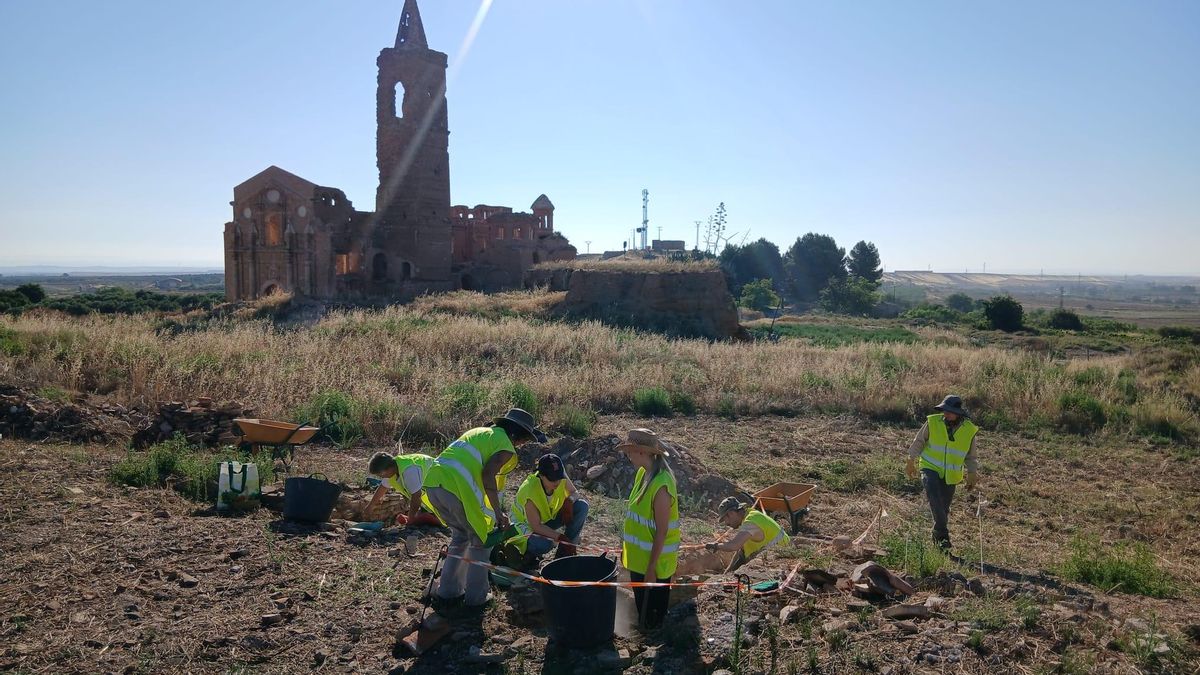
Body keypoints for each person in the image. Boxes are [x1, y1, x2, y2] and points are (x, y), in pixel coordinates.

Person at [422, 408, 546, 608]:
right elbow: (488, 476)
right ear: (518, 435)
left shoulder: (480, 433)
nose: (521, 445)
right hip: (456, 488)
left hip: (433, 484)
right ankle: (477, 599)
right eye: (523, 440)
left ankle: (448, 592)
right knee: (481, 542)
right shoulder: (504, 444)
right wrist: (498, 513)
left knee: (460, 538)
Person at [618, 428, 680, 630]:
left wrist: (651, 568)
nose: (628, 455)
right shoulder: (642, 475)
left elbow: (661, 531)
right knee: (642, 611)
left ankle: (654, 640)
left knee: (654, 617)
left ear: (642, 452)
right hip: (639, 560)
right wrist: (625, 548)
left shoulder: (661, 485)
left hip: (655, 564)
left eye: (630, 450)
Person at [905, 395, 979, 552]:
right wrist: (910, 459)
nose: (946, 413)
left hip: (951, 474)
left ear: (958, 413)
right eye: (944, 410)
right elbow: (919, 441)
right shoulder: (933, 422)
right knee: (934, 499)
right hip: (929, 467)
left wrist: (972, 472)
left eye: (950, 411)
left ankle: (937, 538)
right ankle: (944, 537)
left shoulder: (969, 430)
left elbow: (971, 455)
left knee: (943, 509)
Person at [502, 454, 589, 568]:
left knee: (581, 506)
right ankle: (526, 556)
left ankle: (565, 553)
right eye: (552, 479)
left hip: (547, 520)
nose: (557, 482)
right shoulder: (530, 490)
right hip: (526, 528)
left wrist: (569, 501)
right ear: (542, 475)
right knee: (545, 544)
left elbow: (574, 492)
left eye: (559, 477)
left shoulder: (560, 475)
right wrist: (560, 537)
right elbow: (536, 526)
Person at [704, 497, 790, 572]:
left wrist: (716, 546)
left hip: (779, 557)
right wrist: (728, 572)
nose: (726, 523)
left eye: (725, 519)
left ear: (731, 513)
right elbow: (740, 550)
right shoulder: (749, 516)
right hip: (774, 552)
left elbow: (734, 545)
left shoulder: (751, 522)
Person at [364, 451, 442, 527]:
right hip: (434, 495)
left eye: (380, 474)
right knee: (420, 518)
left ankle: (435, 518)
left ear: (389, 468)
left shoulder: (409, 471)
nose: (381, 477)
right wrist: (370, 506)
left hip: (444, 488)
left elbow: (416, 495)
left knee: (438, 521)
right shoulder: (393, 469)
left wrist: (411, 518)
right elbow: (383, 487)